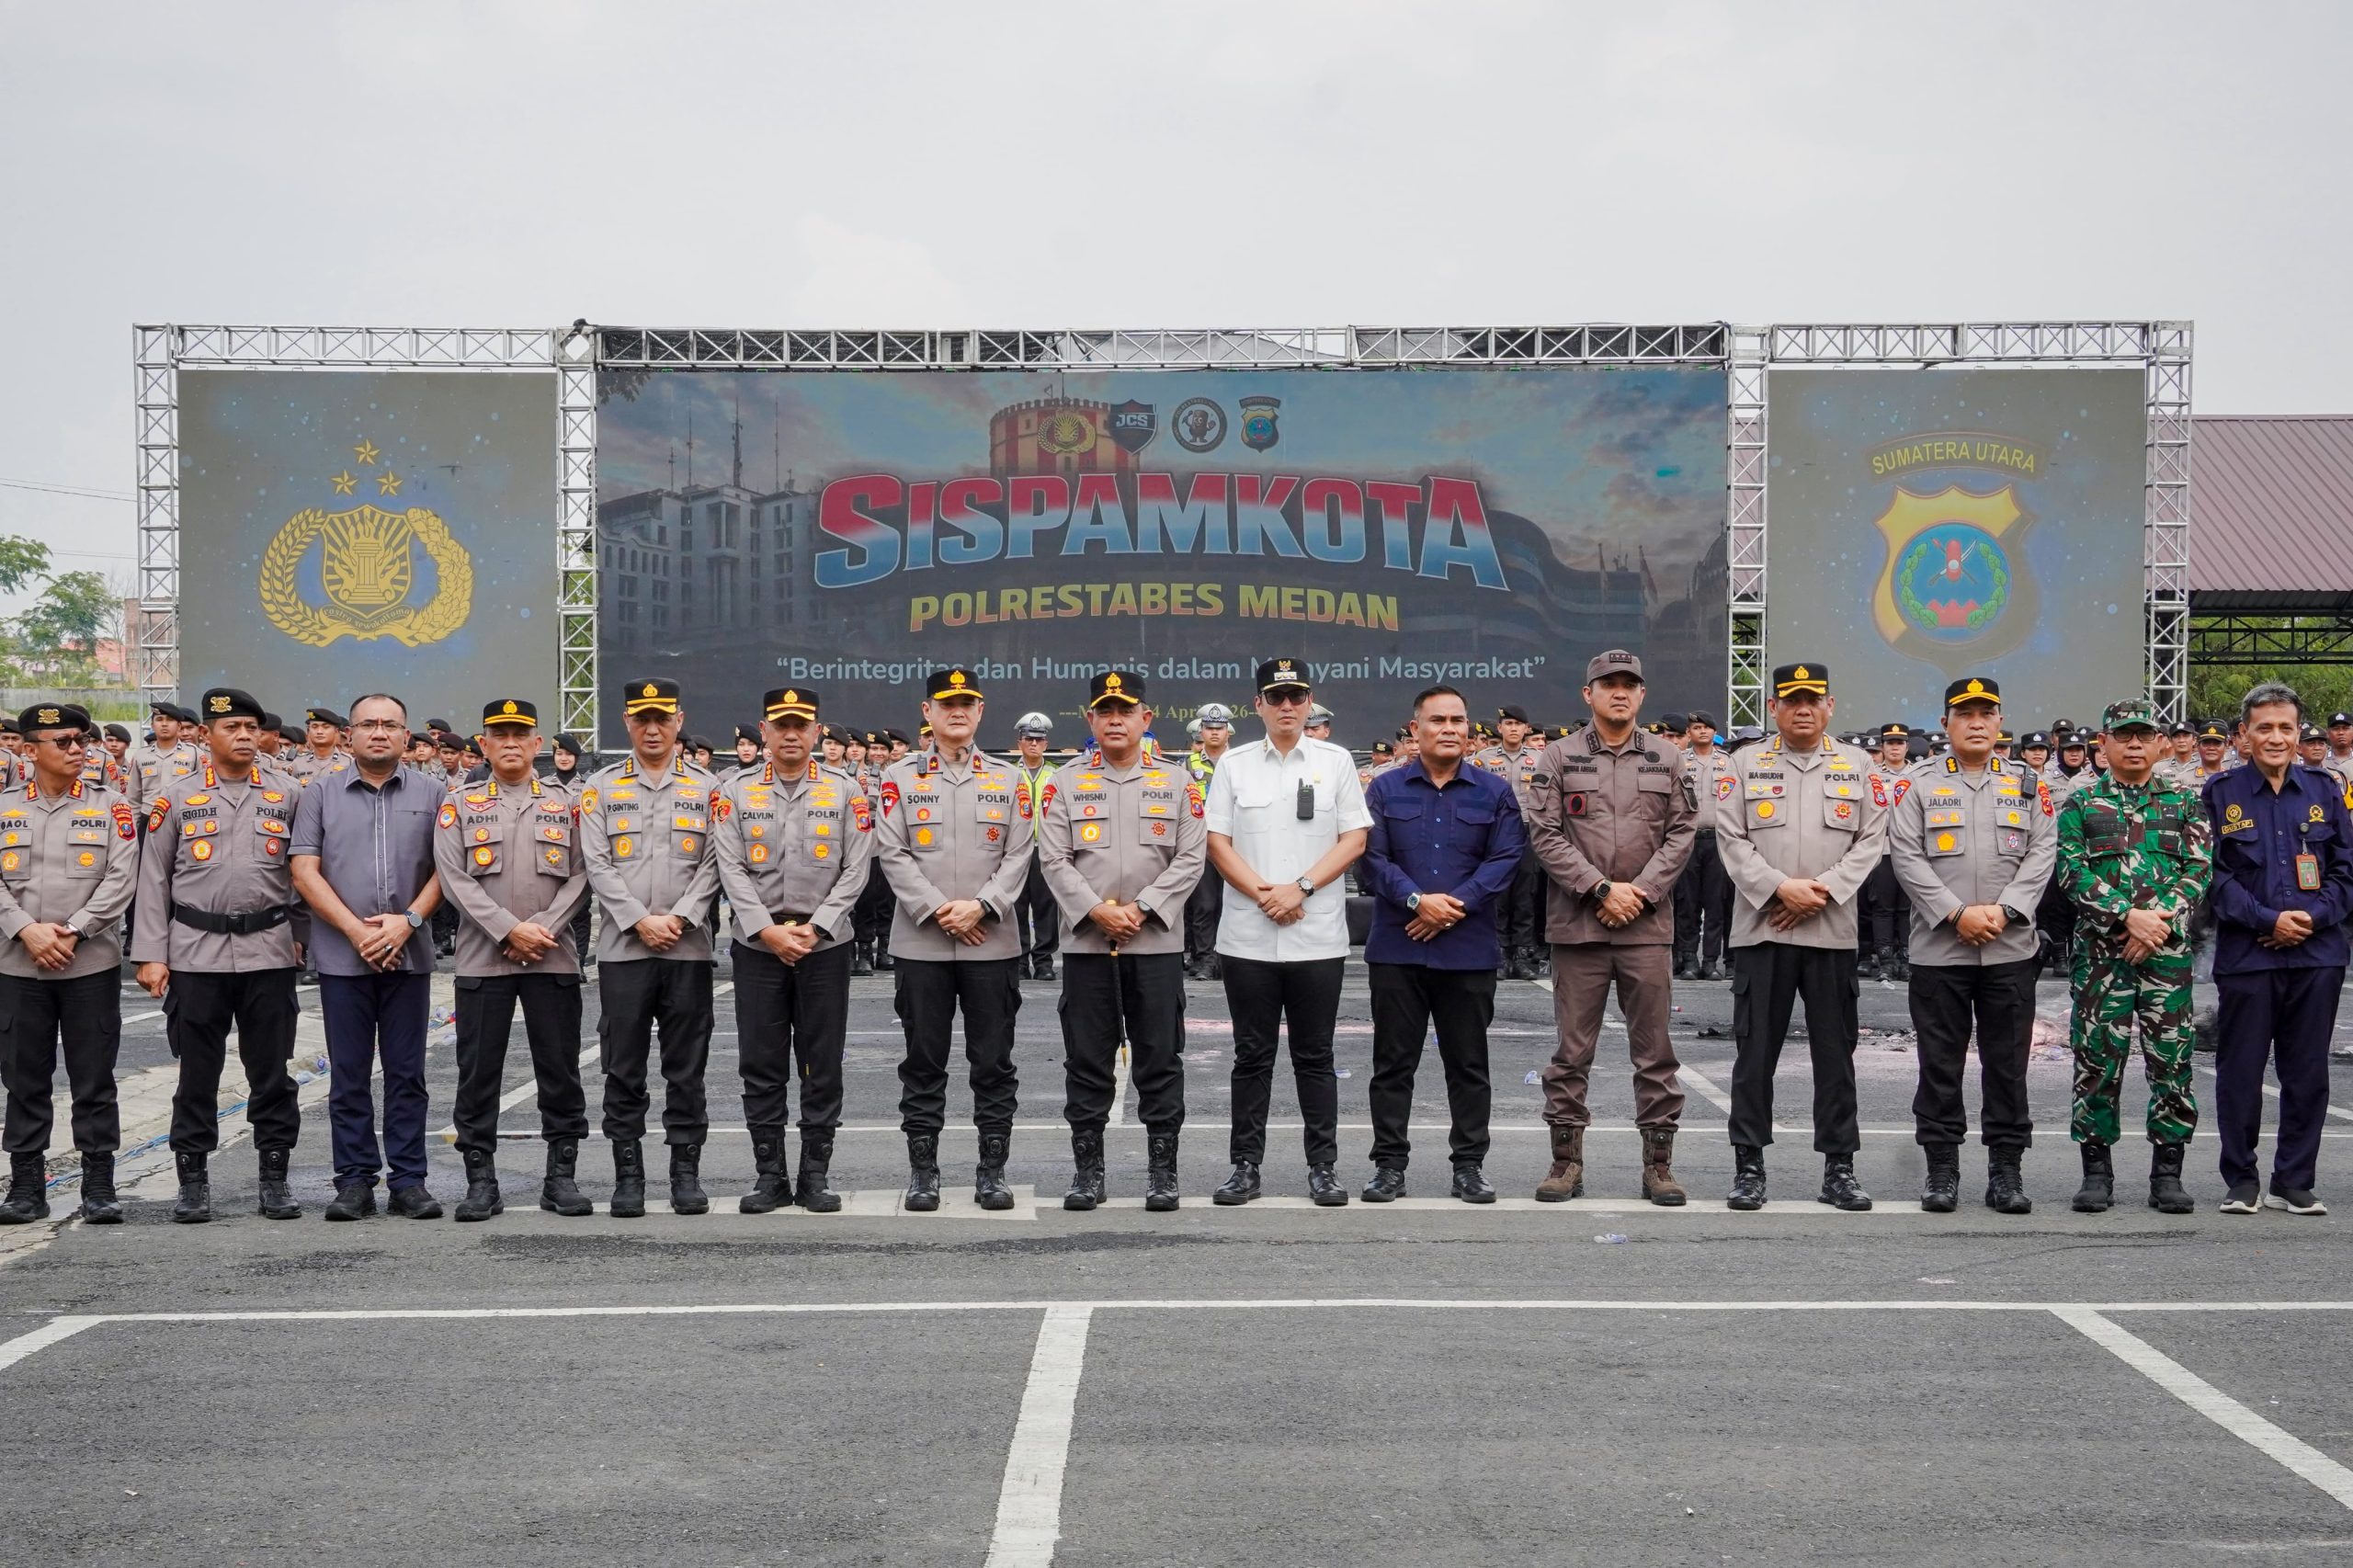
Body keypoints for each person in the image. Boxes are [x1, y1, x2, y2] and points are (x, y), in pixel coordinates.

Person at [1523, 652, 1699, 1204]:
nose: (1619, 692)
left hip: (1646, 926)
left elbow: (1683, 832)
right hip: (1580, 927)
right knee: (1571, 1053)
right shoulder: (1558, 756)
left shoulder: (1668, 757)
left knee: (1655, 1052)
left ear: (1642, 694)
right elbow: (1544, 833)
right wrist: (1601, 889)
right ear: (1589, 694)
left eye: (1629, 684)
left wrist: (1638, 893)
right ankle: (1566, 1163)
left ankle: (1659, 1167)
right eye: (1608, 684)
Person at [1715, 663, 1890, 1210]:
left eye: (1813, 699)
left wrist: (1822, 891)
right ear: (1773, 708)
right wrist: (1779, 890)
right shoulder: (1744, 763)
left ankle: (1840, 1169)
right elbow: (1731, 838)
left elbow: (1871, 839)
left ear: (1830, 706)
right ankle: (1749, 1168)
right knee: (1754, 1056)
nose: (1803, 709)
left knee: (1835, 1058)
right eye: (1792, 700)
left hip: (1830, 932)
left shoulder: (1859, 765)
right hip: (1763, 929)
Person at [132, 687, 307, 1223]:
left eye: (252, 727)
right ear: (206, 734)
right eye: (233, 727)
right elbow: (153, 878)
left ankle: (274, 1177)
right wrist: (150, 954)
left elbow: (305, 871)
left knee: (272, 1073)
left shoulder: (287, 793)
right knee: (197, 1075)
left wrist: (301, 934)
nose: (245, 736)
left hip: (269, 952)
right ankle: (192, 1182)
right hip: (195, 953)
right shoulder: (177, 797)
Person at [1202, 657, 1371, 1206]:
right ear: (1257, 705)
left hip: (1315, 934)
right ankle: (1244, 1167)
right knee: (1251, 1056)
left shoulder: (1335, 761)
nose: (1287, 706)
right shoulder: (1234, 765)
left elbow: (1354, 839)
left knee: (1315, 1056)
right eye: (1275, 697)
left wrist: (1298, 889)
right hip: (1248, 936)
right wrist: (1266, 896)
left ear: (1309, 702)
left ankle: (1323, 1168)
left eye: (1296, 696)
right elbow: (1218, 843)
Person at [1037, 671, 1206, 1211]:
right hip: (1088, 946)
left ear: (1145, 718)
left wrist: (1142, 908)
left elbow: (1191, 858)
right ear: (1090, 719)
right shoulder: (1065, 782)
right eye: (1105, 711)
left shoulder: (1178, 782)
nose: (1115, 720)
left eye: (1125, 710)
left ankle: (1163, 1174)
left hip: (1154, 944)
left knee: (1160, 1058)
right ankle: (1088, 1174)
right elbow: (1053, 858)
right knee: (1087, 1060)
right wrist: (1095, 911)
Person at [1887, 677, 2056, 1214]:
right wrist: (1956, 913)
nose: (1976, 722)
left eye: (1986, 713)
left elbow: (2042, 851)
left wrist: (2005, 911)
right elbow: (1905, 856)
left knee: (2008, 1066)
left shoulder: (2028, 784)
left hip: (2010, 947)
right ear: (1946, 724)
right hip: (1940, 950)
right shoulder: (1916, 784)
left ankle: (2006, 1172)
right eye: (1965, 714)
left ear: (2000, 721)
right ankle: (1942, 1170)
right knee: (1940, 1064)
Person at [873, 667, 1036, 1210]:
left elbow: (1020, 853)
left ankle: (992, 1172)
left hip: (991, 940)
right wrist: (939, 909)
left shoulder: (1009, 779)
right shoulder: (899, 777)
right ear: (928, 712)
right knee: (923, 1062)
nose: (958, 711)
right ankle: (924, 1174)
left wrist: (981, 906)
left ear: (981, 711)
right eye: (947, 703)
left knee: (993, 1063)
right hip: (922, 942)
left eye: (967, 702)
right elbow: (892, 852)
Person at [1357, 684, 1523, 1204]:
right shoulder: (1384, 790)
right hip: (1398, 947)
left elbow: (1505, 859)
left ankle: (1469, 1167)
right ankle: (1389, 1167)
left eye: (1457, 720)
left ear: (1468, 729)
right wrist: (1416, 902)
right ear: (1416, 729)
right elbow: (1370, 859)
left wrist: (1452, 907)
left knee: (1468, 1065)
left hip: (1467, 949)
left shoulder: (1494, 792)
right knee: (1392, 1065)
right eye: (1437, 720)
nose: (1449, 729)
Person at [713, 685, 874, 1213]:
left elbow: (857, 867)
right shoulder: (735, 791)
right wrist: (766, 930)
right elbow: (729, 867)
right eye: (780, 725)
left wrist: (818, 927)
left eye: (800, 725)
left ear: (816, 732)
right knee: (761, 1063)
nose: (790, 734)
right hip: (758, 947)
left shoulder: (846, 791)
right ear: (764, 731)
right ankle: (770, 1176)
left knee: (820, 1062)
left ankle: (815, 1176)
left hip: (823, 946)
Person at [434, 699, 592, 1221]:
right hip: (484, 958)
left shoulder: (568, 803)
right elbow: (453, 877)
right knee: (478, 1073)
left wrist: (542, 929)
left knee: (560, 1070)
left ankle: (561, 1177)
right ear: (483, 744)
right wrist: (508, 930)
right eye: (498, 734)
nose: (509, 743)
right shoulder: (459, 803)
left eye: (519, 734)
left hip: (552, 955)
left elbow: (583, 873)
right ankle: (481, 1181)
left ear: (536, 743)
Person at [287, 693, 444, 1221]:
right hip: (342, 957)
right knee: (349, 1075)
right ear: (349, 735)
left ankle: (409, 1180)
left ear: (406, 736)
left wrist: (408, 922)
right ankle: (354, 1181)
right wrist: (357, 931)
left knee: (407, 1074)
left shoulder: (435, 793)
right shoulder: (319, 794)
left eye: (390, 725)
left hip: (409, 954)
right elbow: (304, 870)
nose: (379, 732)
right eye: (368, 724)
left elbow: (447, 869)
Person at [2054, 698, 2211, 1214]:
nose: (2135, 744)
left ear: (2161, 743)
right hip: (2103, 957)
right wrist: (2127, 917)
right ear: (2104, 744)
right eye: (2124, 735)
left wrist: (2156, 922)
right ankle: (2096, 1172)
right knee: (2097, 1060)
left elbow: (2199, 868)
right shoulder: (2081, 803)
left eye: (2144, 735)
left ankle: (2167, 1173)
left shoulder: (2184, 802)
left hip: (2166, 955)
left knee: (2172, 1062)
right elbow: (2071, 872)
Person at [2202, 682, 2353, 1215]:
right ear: (2243, 735)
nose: (2276, 737)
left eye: (2285, 727)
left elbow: (2345, 869)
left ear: (2297, 733)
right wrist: (2268, 919)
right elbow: (2211, 876)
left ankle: (2294, 1180)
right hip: (2249, 956)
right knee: (2240, 1073)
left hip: (2317, 954)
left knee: (2307, 1073)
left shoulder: (2325, 789)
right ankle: (2242, 1180)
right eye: (2263, 727)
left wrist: (2312, 918)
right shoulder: (2220, 793)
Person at [578, 678, 722, 1218]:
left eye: (663, 718)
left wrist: (679, 918)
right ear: (627, 722)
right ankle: (629, 1177)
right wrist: (640, 921)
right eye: (643, 719)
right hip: (625, 950)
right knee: (623, 1067)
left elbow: (716, 862)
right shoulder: (600, 788)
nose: (653, 728)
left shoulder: (710, 788)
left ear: (679, 721)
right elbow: (597, 864)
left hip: (688, 949)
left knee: (687, 1068)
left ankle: (686, 1174)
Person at [0, 705, 139, 1225]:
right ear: (29, 750)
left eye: (81, 739)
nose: (78, 749)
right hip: (18, 964)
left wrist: (74, 929)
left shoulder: (112, 806)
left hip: (89, 963)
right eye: (63, 741)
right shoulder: (4, 806)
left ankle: (99, 1184)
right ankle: (26, 1186)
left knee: (94, 1076)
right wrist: (25, 929)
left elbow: (122, 878)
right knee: (23, 1078)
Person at [1472, 705, 1550, 982]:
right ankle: (1500, 954)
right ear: (1500, 728)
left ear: (1527, 729)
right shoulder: (1483, 759)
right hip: (1496, 831)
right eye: (1508, 724)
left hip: (1529, 830)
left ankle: (1523, 956)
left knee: (1526, 894)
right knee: (1499, 893)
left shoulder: (1540, 758)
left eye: (1518, 724)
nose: (1513, 729)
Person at [1675, 710, 1736, 983]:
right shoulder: (1679, 761)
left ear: (1714, 732)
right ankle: (1689, 959)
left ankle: (1711, 961)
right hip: (1687, 839)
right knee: (1687, 903)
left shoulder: (1728, 763)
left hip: (1718, 841)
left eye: (1707, 727)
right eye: (1696, 727)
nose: (1702, 731)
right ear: (1688, 733)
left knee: (1716, 903)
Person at [1858, 722, 1915, 981]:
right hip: (1883, 848)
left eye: (1899, 743)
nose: (1895, 748)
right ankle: (1886, 961)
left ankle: (1906, 959)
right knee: (1882, 908)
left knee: (1907, 908)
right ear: (1882, 747)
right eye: (1890, 743)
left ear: (1907, 746)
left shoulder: (1919, 775)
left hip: (1912, 850)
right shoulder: (1874, 777)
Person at [1181, 703, 1233, 979]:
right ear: (1201, 731)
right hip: (1200, 844)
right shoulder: (1189, 765)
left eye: (1219, 728)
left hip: (1233, 845)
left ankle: (1226, 959)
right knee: (1203, 905)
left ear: (1228, 732)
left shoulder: (1238, 762)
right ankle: (1203, 959)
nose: (1214, 732)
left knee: (1229, 904)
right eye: (1210, 728)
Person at [1009, 712, 1060, 982]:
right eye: (1028, 739)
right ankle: (1019, 960)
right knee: (1016, 906)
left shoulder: (1056, 774)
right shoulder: (1008, 774)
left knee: (1046, 906)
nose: (1033, 744)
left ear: (1046, 744)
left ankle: (1043, 962)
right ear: (1019, 742)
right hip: (1016, 849)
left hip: (1046, 848)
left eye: (1039, 740)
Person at [550, 733, 595, 960]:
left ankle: (579, 960)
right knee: (551, 909)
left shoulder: (588, 786)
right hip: (551, 856)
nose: (564, 758)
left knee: (580, 910)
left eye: (568, 754)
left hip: (580, 856)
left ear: (576, 757)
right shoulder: (543, 786)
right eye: (559, 754)